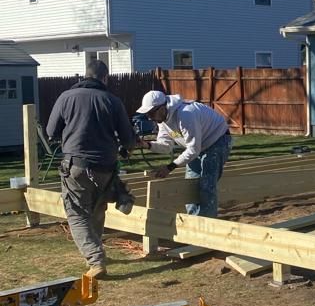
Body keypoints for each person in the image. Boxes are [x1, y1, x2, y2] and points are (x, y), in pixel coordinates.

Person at [46, 59, 136, 279]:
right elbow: (128, 139)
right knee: (96, 208)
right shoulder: (113, 101)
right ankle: (122, 198)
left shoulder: (66, 97)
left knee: (76, 214)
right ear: (104, 78)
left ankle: (95, 260)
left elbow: (51, 131)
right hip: (106, 168)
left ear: (85, 76)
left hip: (76, 166)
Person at [135, 90, 231, 217]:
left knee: (206, 186)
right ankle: (193, 222)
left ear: (162, 108)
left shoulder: (186, 115)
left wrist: (170, 167)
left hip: (217, 141)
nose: (150, 117)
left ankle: (207, 226)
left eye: (151, 113)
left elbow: (193, 150)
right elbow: (166, 146)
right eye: (147, 114)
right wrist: (146, 145)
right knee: (189, 187)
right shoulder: (163, 121)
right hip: (199, 146)